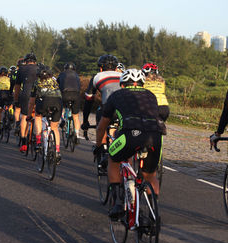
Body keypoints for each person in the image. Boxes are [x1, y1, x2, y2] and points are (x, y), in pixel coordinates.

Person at [94, 69, 165, 219]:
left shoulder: (117, 95)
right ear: (142, 84)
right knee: (150, 175)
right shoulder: (150, 95)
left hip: (130, 135)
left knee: (113, 160)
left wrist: (99, 145)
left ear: (122, 84)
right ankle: (154, 214)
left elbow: (102, 126)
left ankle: (118, 204)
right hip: (155, 134)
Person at [82, 54, 122, 144]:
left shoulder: (97, 77)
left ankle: (101, 147)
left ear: (100, 68)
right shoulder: (123, 76)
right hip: (124, 109)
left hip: (107, 109)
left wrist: (85, 121)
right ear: (116, 68)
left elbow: (89, 101)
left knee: (101, 126)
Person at [28, 65, 63, 162]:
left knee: (38, 117)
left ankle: (39, 141)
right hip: (58, 102)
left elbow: (31, 102)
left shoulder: (36, 82)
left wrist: (29, 114)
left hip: (44, 102)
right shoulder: (55, 81)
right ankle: (57, 151)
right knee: (54, 127)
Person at [13, 53, 39, 152]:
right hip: (37, 94)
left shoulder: (21, 69)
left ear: (25, 61)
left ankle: (24, 141)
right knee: (37, 116)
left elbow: (17, 87)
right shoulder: (39, 69)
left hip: (26, 94)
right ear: (35, 61)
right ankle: (37, 139)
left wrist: (16, 100)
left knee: (24, 117)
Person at [57, 62, 81, 140]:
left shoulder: (62, 74)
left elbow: (57, 85)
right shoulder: (77, 76)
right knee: (76, 116)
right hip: (76, 95)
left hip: (65, 94)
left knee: (60, 107)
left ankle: (63, 120)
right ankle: (77, 135)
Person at [0, 66, 13, 135]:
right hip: (8, 94)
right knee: (10, 105)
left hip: (0, 94)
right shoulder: (9, 79)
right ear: (7, 73)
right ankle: (11, 113)